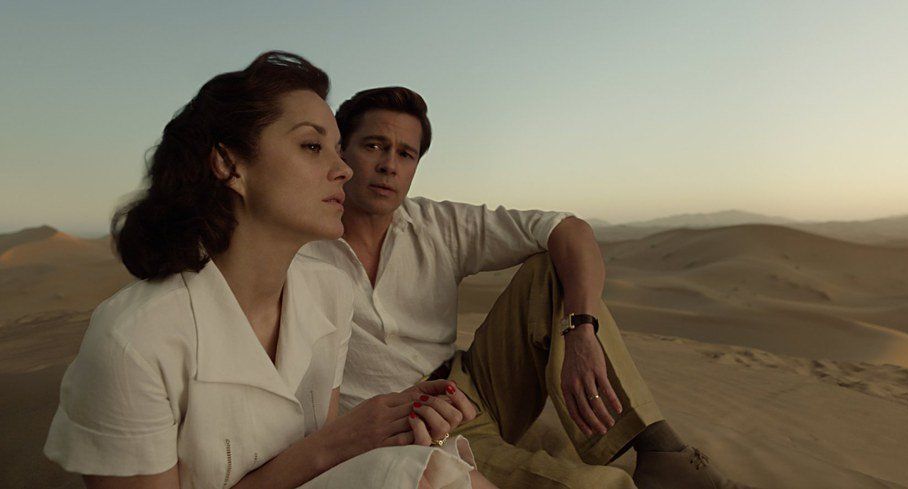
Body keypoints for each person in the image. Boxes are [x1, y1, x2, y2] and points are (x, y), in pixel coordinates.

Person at [43, 52, 497, 489]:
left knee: (423, 467)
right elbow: (325, 452)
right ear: (229, 165)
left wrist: (394, 424)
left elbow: (323, 471)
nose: (342, 169)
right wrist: (339, 441)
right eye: (312, 146)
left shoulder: (330, 290)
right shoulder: (134, 341)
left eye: (337, 150)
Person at [298, 86, 757, 489]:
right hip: (404, 428)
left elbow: (567, 229)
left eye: (405, 154)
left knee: (548, 270)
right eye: (373, 146)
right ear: (342, 152)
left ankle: (663, 454)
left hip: (471, 387)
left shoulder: (435, 223)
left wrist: (581, 330)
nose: (388, 166)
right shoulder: (298, 245)